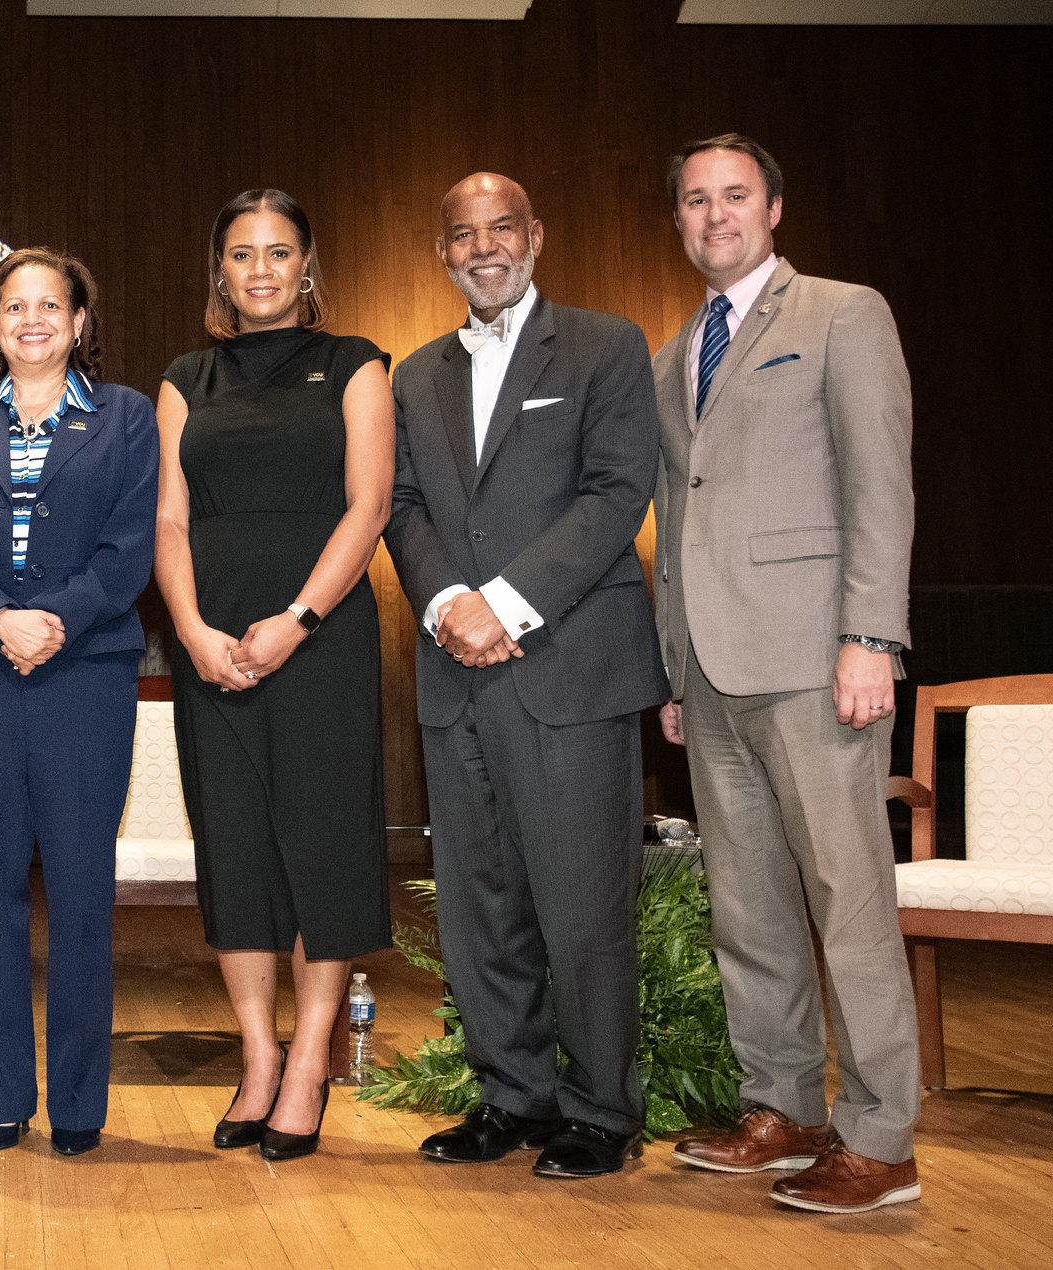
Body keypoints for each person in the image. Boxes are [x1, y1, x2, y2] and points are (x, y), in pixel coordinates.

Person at [384, 174, 670, 1179]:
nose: (481, 246)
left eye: (499, 227)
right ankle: (511, 1094)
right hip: (452, 673)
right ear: (442, 252)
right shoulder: (412, 375)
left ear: (535, 236)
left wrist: (497, 604)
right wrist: (444, 607)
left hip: (567, 666)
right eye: (460, 233)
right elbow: (402, 504)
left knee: (581, 902)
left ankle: (599, 1110)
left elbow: (611, 492)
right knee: (479, 905)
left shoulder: (605, 346)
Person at [654, 134, 920, 1214]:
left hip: (817, 660)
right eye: (691, 200)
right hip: (710, 673)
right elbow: (676, 518)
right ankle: (783, 1109)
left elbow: (879, 480)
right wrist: (673, 665)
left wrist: (871, 634)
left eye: (732, 195)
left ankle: (881, 1136)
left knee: (845, 902)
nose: (712, 214)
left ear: (772, 207)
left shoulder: (842, 314)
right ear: (676, 220)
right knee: (749, 906)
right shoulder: (677, 346)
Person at [155, 189, 394, 1162]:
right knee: (237, 854)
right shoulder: (184, 376)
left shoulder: (354, 363)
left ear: (306, 266)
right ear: (222, 272)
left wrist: (295, 620)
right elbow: (168, 520)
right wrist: (191, 629)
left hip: (320, 640)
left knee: (322, 851)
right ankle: (256, 1057)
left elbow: (369, 504)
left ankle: (308, 1068)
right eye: (242, 254)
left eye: (278, 251)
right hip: (210, 648)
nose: (260, 269)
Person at [0, 249, 158, 1157]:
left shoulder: (126, 417)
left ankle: (81, 1109)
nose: (31, 321)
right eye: (13, 306)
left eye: (49, 306)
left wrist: (52, 620)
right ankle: (2, 1100)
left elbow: (130, 546)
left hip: (86, 675)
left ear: (79, 322)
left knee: (84, 895)